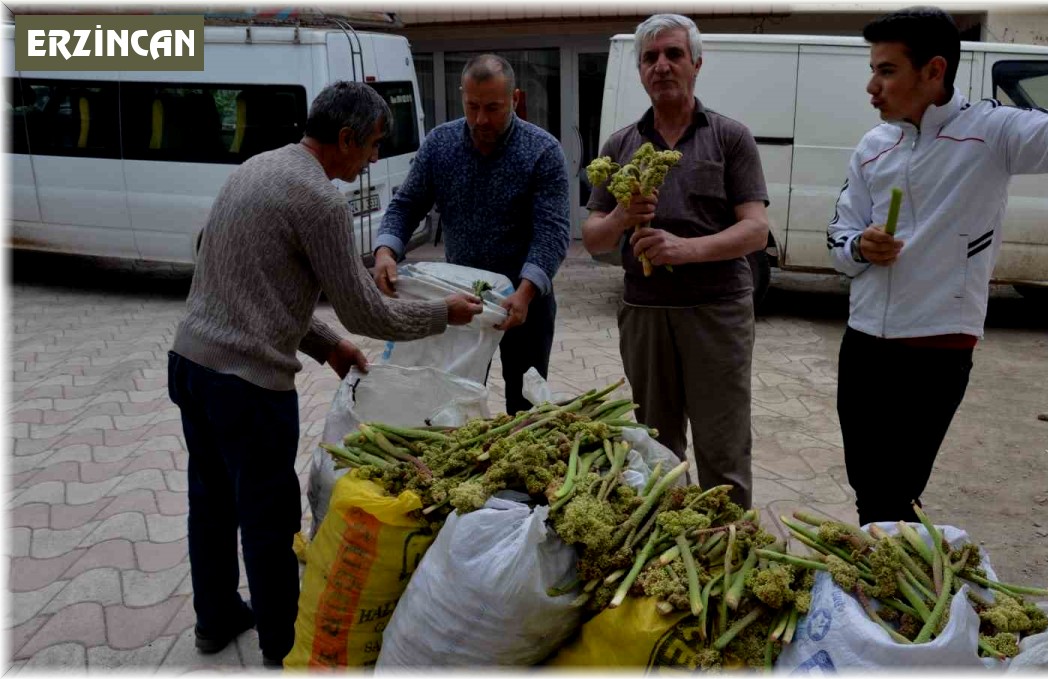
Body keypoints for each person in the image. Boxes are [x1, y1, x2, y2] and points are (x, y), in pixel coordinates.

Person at [828, 6, 1048, 525]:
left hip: (936, 346)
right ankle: (880, 588)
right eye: (874, 69)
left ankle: (895, 591)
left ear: (934, 71)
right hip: (863, 342)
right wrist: (862, 249)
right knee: (867, 485)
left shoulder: (990, 133)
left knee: (897, 491)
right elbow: (838, 236)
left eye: (886, 71)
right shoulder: (871, 149)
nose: (872, 86)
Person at [168, 81, 483, 666]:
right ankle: (281, 644)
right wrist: (444, 313)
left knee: (210, 500)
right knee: (269, 515)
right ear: (345, 138)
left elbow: (248, 286)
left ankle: (214, 619)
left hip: (190, 364)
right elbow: (368, 309)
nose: (370, 161)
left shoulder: (257, 167)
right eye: (371, 147)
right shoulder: (319, 200)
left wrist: (328, 344)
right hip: (246, 386)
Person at [582, 13, 771, 509]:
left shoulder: (730, 137)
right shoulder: (621, 146)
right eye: (650, 58)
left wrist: (685, 250)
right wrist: (624, 214)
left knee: (722, 449)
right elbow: (593, 239)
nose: (661, 65)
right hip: (645, 315)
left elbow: (756, 229)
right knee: (656, 447)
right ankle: (668, 549)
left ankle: (727, 551)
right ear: (640, 71)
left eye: (673, 54)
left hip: (717, 314)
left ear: (696, 64)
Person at [372, 54, 571, 416]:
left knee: (524, 408)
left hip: (525, 303)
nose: (481, 119)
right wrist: (386, 250)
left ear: (515, 99)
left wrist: (525, 292)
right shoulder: (440, 145)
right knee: (453, 400)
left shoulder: (542, 151)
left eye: (493, 108)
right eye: (472, 106)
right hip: (461, 301)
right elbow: (406, 205)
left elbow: (552, 233)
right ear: (462, 96)